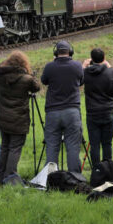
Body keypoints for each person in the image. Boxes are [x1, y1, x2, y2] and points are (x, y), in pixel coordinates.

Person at [0, 51, 40, 180]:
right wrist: (29, 73)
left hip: (3, 118)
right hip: (19, 119)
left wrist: (5, 65)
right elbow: (37, 87)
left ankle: (2, 174)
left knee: (5, 147)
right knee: (15, 148)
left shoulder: (1, 77)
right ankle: (10, 175)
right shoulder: (27, 79)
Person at [42, 40, 84, 173]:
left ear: (56, 52)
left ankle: (50, 177)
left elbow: (44, 81)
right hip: (72, 111)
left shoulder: (50, 67)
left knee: (52, 146)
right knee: (72, 146)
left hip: (53, 112)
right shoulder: (77, 66)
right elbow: (81, 81)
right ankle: (75, 177)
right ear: (70, 52)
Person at [82, 48, 113, 166]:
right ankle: (108, 168)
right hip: (108, 111)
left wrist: (83, 67)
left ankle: (96, 169)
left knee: (94, 144)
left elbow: (78, 80)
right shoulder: (109, 72)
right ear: (104, 58)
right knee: (107, 143)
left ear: (91, 59)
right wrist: (110, 66)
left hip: (92, 113)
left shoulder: (86, 73)